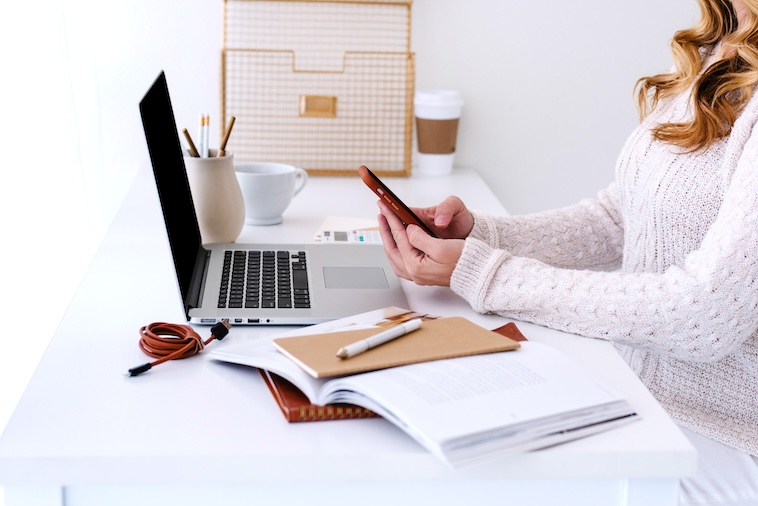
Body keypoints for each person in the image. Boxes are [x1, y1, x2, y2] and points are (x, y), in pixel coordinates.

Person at [376, 1, 758, 504]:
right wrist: (479, 237)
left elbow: (704, 315)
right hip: (635, 396)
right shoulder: (714, 51)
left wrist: (486, 275)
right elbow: (619, 217)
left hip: (719, 437)